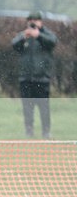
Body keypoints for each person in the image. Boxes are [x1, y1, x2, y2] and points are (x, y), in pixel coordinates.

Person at [12, 11, 57, 139]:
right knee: (27, 108)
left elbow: (52, 42)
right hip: (26, 78)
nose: (32, 22)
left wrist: (39, 36)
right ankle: (29, 130)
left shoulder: (46, 34)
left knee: (44, 108)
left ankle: (46, 131)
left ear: (40, 21)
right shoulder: (24, 35)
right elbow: (14, 44)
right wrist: (24, 37)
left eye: (35, 20)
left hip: (42, 78)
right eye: (30, 20)